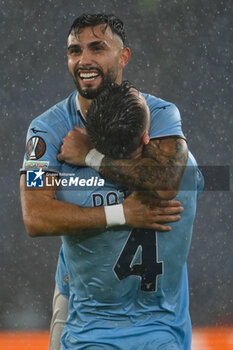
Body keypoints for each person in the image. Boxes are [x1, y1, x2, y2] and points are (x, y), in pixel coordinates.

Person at [19, 13, 191, 349]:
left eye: (97, 48)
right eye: (74, 51)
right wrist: (120, 214)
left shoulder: (159, 115)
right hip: (83, 302)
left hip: (152, 307)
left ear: (123, 56)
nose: (84, 60)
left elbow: (165, 183)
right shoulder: (46, 131)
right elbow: (36, 216)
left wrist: (91, 158)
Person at [50, 81, 203, 349]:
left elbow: (38, 213)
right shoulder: (186, 171)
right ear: (147, 136)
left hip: (90, 337)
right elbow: (169, 179)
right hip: (163, 336)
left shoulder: (68, 183)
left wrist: (90, 159)